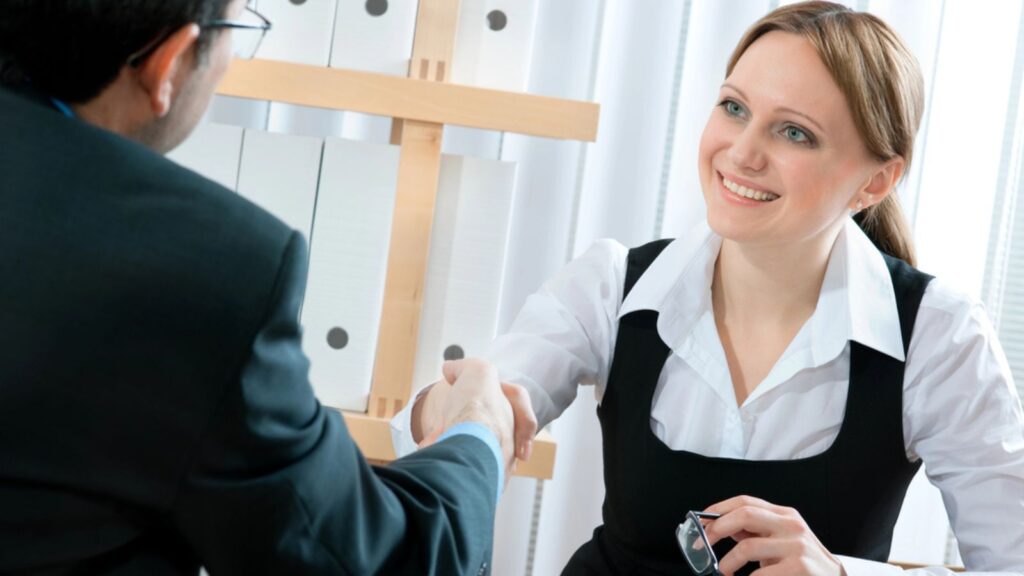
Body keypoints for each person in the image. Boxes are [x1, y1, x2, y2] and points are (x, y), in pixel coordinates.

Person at [400, 2, 1024, 575]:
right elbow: (426, 433)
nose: (742, 153)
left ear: (876, 182)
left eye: (795, 132)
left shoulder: (939, 336)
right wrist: (466, 404)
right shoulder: (612, 285)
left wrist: (842, 573)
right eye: (734, 108)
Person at [0, 0, 536, 573]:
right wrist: (478, 429)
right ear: (168, 64)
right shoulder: (203, 268)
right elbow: (374, 559)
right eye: (235, 31)